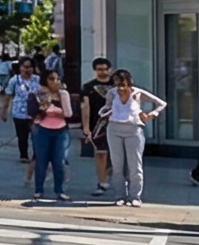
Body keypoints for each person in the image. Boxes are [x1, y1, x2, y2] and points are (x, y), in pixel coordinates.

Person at [102, 70, 166, 206]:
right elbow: (107, 107)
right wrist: (105, 111)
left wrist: (151, 115)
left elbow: (161, 103)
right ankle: (120, 195)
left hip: (133, 130)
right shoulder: (112, 93)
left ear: (129, 84)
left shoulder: (137, 93)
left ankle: (135, 196)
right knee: (117, 165)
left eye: (124, 85)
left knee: (135, 165)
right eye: (118, 85)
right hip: (114, 129)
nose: (121, 89)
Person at [26, 69, 75, 203]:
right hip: (42, 130)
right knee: (41, 161)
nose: (55, 82)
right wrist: (44, 105)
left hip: (61, 130)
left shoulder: (63, 94)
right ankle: (39, 190)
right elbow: (32, 112)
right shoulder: (37, 94)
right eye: (51, 79)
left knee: (59, 161)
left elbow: (69, 113)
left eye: (57, 79)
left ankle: (60, 190)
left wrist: (59, 110)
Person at [77, 58, 116, 195]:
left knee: (118, 154)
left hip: (117, 123)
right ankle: (102, 182)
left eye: (105, 69)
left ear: (110, 69)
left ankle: (116, 177)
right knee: (100, 153)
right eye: (100, 69)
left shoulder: (117, 85)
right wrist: (86, 127)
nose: (103, 72)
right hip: (97, 124)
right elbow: (85, 107)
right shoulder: (88, 87)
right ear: (95, 70)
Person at [6, 58, 42, 163]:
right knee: (22, 136)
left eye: (30, 67)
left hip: (35, 113)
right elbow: (8, 95)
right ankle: (24, 155)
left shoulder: (37, 79)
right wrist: (5, 110)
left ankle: (37, 154)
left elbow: (43, 93)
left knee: (36, 135)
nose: (27, 70)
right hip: (19, 112)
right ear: (20, 67)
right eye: (25, 67)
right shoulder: (14, 80)